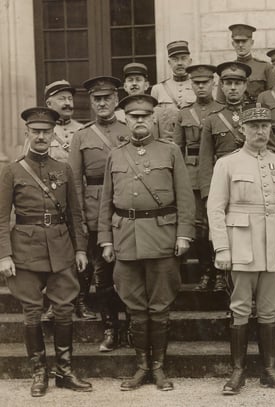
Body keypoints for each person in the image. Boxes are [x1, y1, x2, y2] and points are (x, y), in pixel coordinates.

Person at [98, 94, 195, 391]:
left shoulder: (170, 151)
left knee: (160, 306)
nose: (139, 121)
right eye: (133, 116)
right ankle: (141, 367)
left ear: (153, 118)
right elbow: (106, 202)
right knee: (135, 307)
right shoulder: (116, 154)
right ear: (125, 119)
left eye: (144, 116)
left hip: (163, 236)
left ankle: (159, 367)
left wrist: (183, 234)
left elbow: (185, 197)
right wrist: (105, 240)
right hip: (125, 238)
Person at [207, 106, 275, 395]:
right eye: (254, 126)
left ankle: (270, 369)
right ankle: (238, 371)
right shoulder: (227, 163)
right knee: (240, 308)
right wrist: (222, 248)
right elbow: (215, 208)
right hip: (240, 246)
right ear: (242, 130)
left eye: (265, 126)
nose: (260, 131)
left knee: (270, 309)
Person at [0, 107, 92, 397]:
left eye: (46, 131)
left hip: (62, 248)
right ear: (27, 133)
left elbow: (76, 214)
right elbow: (1, 217)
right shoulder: (12, 170)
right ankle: (39, 373)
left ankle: (64, 371)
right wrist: (3, 255)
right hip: (25, 250)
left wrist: (80, 249)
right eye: (35, 131)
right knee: (32, 312)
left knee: (64, 309)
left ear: (53, 134)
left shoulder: (63, 169)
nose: (41, 136)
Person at [68, 76, 130, 352]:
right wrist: (80, 217)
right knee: (102, 275)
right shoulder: (81, 136)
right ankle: (110, 328)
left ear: (116, 101)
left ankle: (130, 326)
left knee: (129, 272)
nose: (102, 103)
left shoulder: (128, 130)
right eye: (97, 99)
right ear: (91, 103)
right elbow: (74, 182)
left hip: (126, 210)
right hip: (94, 214)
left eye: (107, 98)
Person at [37, 79, 95, 321]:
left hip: (79, 203)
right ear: (49, 102)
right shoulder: (40, 133)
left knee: (84, 252)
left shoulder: (84, 131)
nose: (67, 102)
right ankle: (54, 303)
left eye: (70, 98)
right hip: (52, 204)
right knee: (55, 256)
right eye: (61, 98)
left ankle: (81, 301)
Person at [173, 64, 223, 293]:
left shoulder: (223, 111)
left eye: (205, 82)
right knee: (201, 225)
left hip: (220, 170)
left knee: (219, 223)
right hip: (193, 175)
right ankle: (206, 271)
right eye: (196, 83)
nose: (201, 86)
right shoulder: (183, 114)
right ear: (191, 85)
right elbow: (177, 150)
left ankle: (221, 272)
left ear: (213, 83)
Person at [198, 61, 255, 201]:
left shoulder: (256, 115)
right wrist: (207, 194)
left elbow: (269, 149)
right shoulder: (212, 119)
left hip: (253, 180)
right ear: (222, 87)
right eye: (228, 83)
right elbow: (205, 159)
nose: (233, 88)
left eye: (238, 83)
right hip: (223, 182)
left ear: (245, 85)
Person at [151, 40, 196, 140]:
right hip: (167, 146)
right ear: (169, 63)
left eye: (183, 59)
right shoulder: (158, 89)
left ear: (190, 61)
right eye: (175, 59)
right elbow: (154, 123)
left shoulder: (198, 86)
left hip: (192, 147)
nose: (179, 63)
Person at [224, 24, 275, 104]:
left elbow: (272, 98)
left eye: (244, 41)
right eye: (237, 41)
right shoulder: (226, 70)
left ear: (251, 42)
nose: (240, 45)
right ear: (233, 44)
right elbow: (220, 102)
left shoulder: (264, 67)